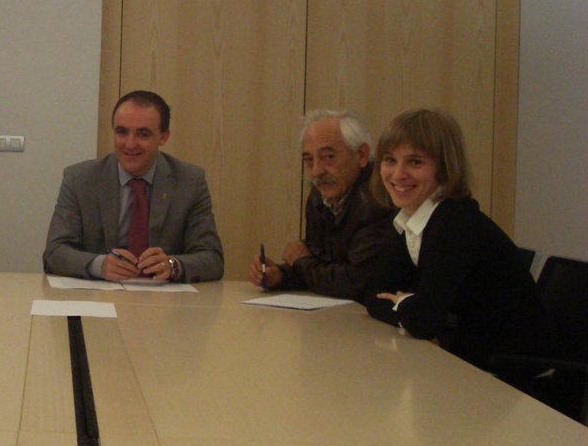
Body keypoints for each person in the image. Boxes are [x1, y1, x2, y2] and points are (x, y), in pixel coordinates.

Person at [363, 108, 543, 373]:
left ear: (445, 169)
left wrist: (402, 303)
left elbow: (423, 320)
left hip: (506, 371)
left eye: (415, 162)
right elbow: (373, 294)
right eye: (389, 160)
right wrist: (409, 307)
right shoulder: (413, 221)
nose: (398, 174)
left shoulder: (454, 223)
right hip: (465, 354)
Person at [43, 90, 223, 282]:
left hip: (164, 296)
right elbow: (54, 254)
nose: (130, 144)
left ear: (163, 137)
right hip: (99, 294)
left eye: (143, 134)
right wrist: (100, 265)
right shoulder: (80, 179)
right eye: (121, 132)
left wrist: (172, 265)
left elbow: (212, 259)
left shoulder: (189, 182)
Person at [246, 109, 396, 300]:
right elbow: (321, 264)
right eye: (309, 160)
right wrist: (281, 276)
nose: (316, 171)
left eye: (328, 157)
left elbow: (355, 283)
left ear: (361, 155)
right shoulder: (320, 196)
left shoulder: (379, 199)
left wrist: (301, 261)